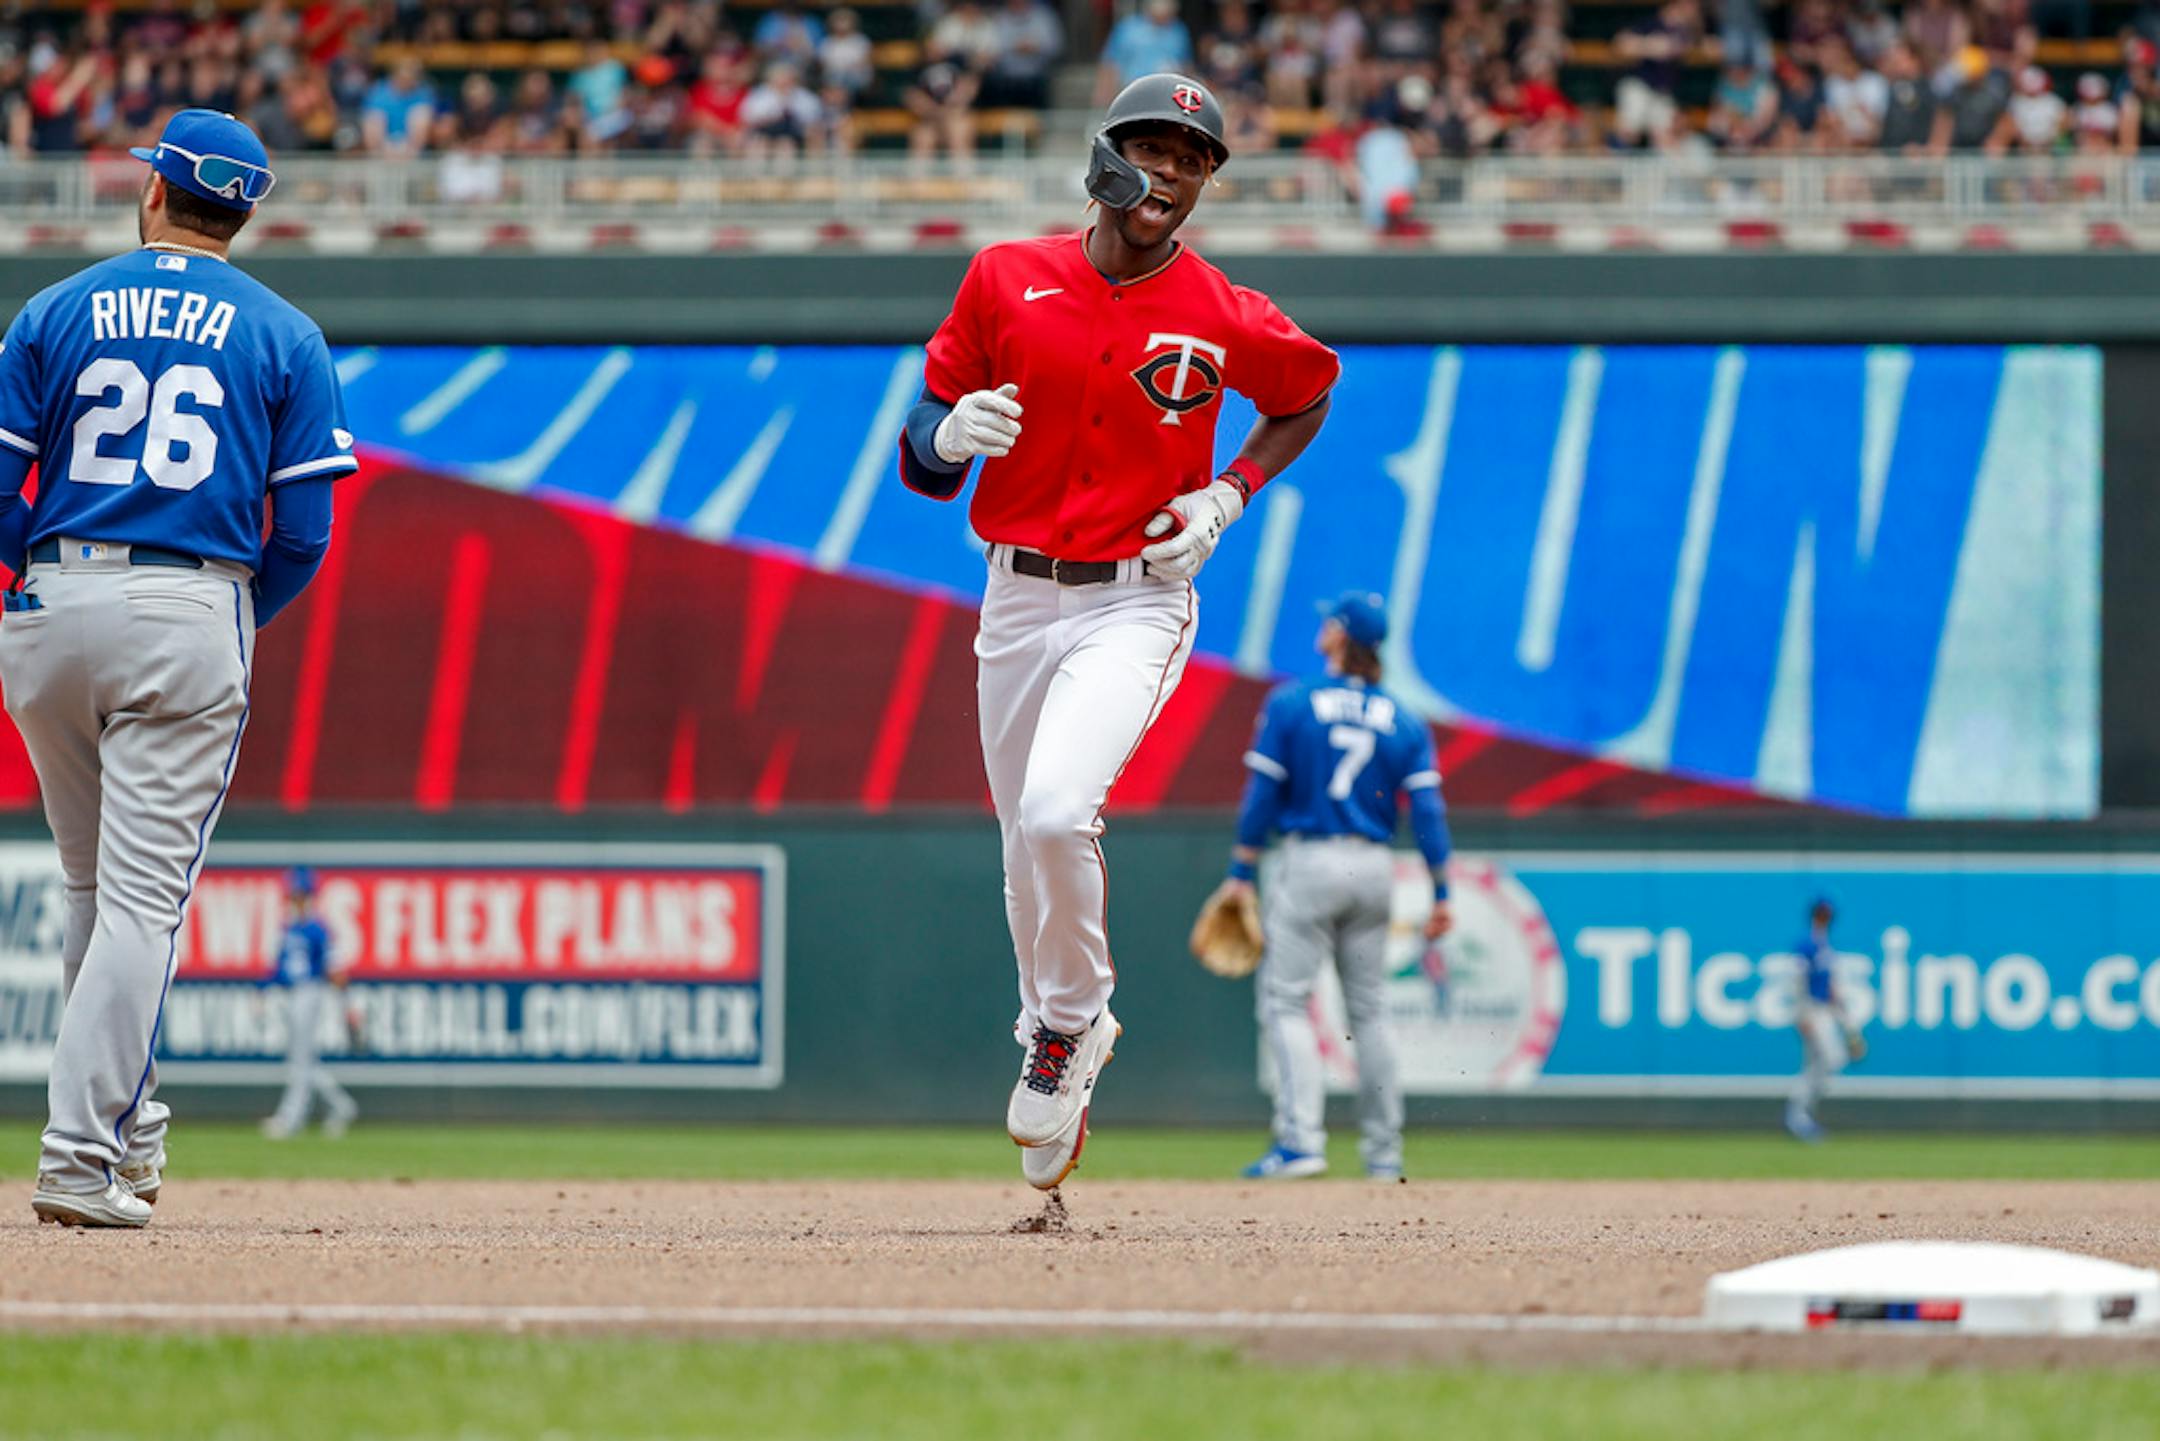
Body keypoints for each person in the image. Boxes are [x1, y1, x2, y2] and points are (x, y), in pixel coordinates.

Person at [899, 74, 1337, 1193]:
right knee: (1020, 842)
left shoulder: (1221, 307)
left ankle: (1073, 1020)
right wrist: (951, 433)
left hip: (1136, 593)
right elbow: (918, 454)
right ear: (1102, 158)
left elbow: (1307, 389)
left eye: (1193, 158)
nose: (1171, 171)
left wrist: (1230, 492)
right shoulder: (1007, 275)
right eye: (1151, 146)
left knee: (1055, 812)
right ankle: (1053, 1032)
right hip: (1014, 592)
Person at [0, 109, 356, 1227]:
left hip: (54, 599)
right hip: (190, 600)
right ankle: (76, 1155)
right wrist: (234, 613)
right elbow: (300, 531)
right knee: (143, 902)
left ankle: (131, 1127)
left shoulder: (56, 306)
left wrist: (22, 588)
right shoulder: (285, 332)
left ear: (154, 189)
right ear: (244, 214)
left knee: (91, 892)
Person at [1213, 593, 1452, 1182]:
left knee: (1287, 1002)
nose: (1321, 628)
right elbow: (1426, 811)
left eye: (1329, 622)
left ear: (1340, 636)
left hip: (1311, 860)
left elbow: (1263, 795)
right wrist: (1441, 890)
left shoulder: (1293, 702)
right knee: (1369, 1012)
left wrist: (1242, 870)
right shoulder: (1405, 717)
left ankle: (1300, 1142)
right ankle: (1383, 1153)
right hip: (1374, 867)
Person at [260, 867, 359, 1140]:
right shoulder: (288, 927)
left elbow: (335, 969)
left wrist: (347, 1004)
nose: (296, 899)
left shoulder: (318, 929)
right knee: (303, 1060)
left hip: (311, 992)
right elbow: (278, 968)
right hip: (290, 994)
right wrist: (263, 990)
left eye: (301, 894)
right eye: (294, 894)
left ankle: (291, 1118)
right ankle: (342, 1106)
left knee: (300, 1061)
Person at [1787, 898, 1859, 1142]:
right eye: (1822, 914)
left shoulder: (1825, 946)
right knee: (1830, 1059)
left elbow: (1832, 988)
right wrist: (1802, 1014)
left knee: (1822, 1063)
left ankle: (1801, 1115)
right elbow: (1797, 981)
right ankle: (1797, 1116)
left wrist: (1850, 1029)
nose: (1825, 918)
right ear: (1815, 915)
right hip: (1812, 1010)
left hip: (1825, 1011)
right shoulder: (1807, 944)